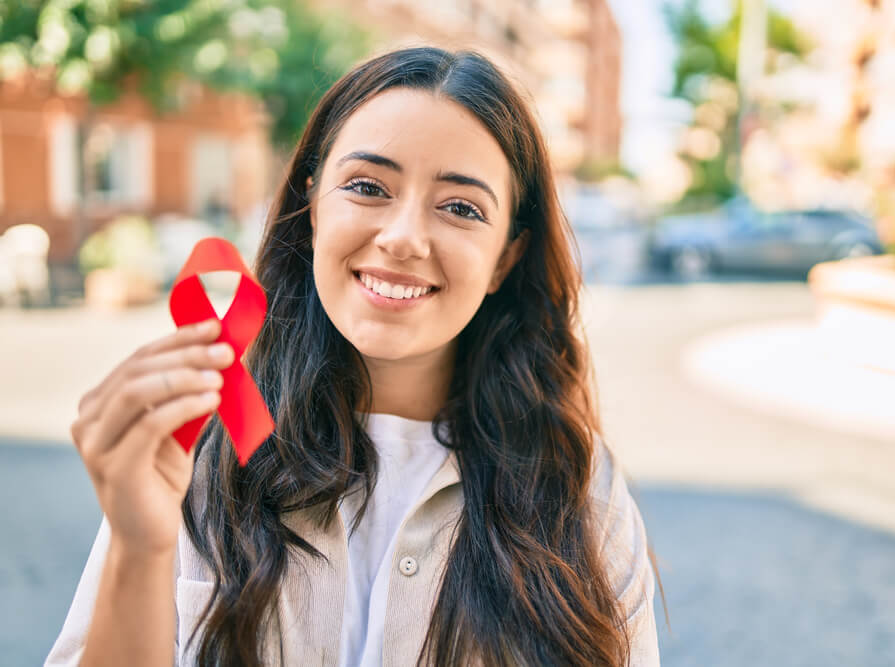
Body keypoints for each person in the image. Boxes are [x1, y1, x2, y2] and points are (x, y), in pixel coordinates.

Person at [47, 47, 662, 666]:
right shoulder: (199, 452)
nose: (402, 237)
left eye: (461, 208)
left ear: (506, 256)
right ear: (312, 207)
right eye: (368, 187)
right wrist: (137, 546)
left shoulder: (579, 488)